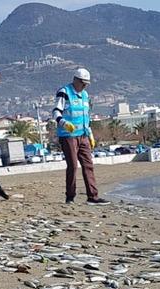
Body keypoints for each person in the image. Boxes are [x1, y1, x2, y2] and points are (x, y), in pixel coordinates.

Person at [53, 68, 109, 205]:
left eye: (86, 84)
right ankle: (70, 196)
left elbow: (86, 116)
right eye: (82, 83)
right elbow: (56, 112)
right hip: (68, 135)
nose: (84, 86)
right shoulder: (64, 92)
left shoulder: (85, 95)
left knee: (88, 165)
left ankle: (93, 197)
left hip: (83, 135)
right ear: (75, 80)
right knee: (72, 165)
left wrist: (90, 134)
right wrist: (64, 123)